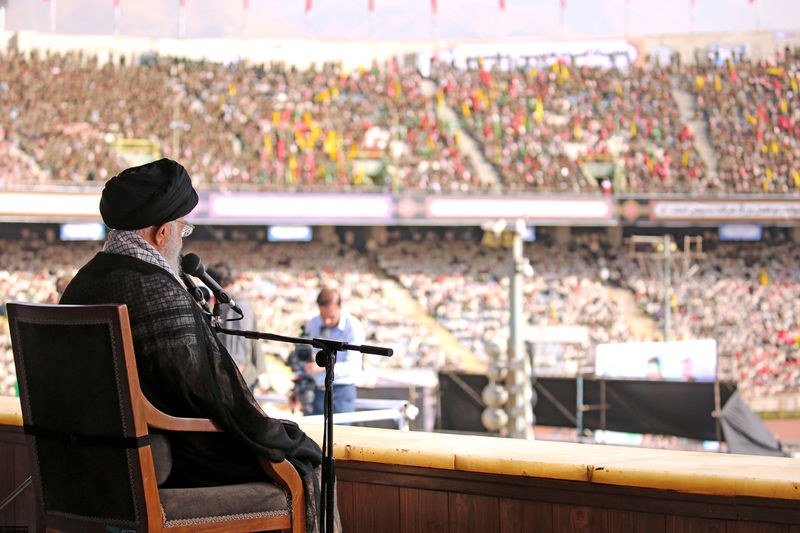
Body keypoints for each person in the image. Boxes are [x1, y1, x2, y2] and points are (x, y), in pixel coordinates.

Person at [59, 158, 327, 532]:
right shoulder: (156, 291)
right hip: (160, 469)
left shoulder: (81, 284)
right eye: (184, 230)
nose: (184, 239)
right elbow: (210, 394)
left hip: (77, 468)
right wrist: (279, 436)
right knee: (304, 462)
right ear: (162, 233)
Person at [303, 287, 365, 416]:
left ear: (340, 307)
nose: (326, 321)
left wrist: (322, 366)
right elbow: (304, 357)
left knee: (341, 435)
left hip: (342, 391)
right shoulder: (312, 324)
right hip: (317, 390)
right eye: (323, 316)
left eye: (331, 316)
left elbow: (352, 367)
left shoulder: (353, 326)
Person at [206, 262, 266, 393]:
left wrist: (227, 386)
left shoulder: (235, 305)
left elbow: (236, 357)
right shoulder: (232, 301)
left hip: (240, 380)